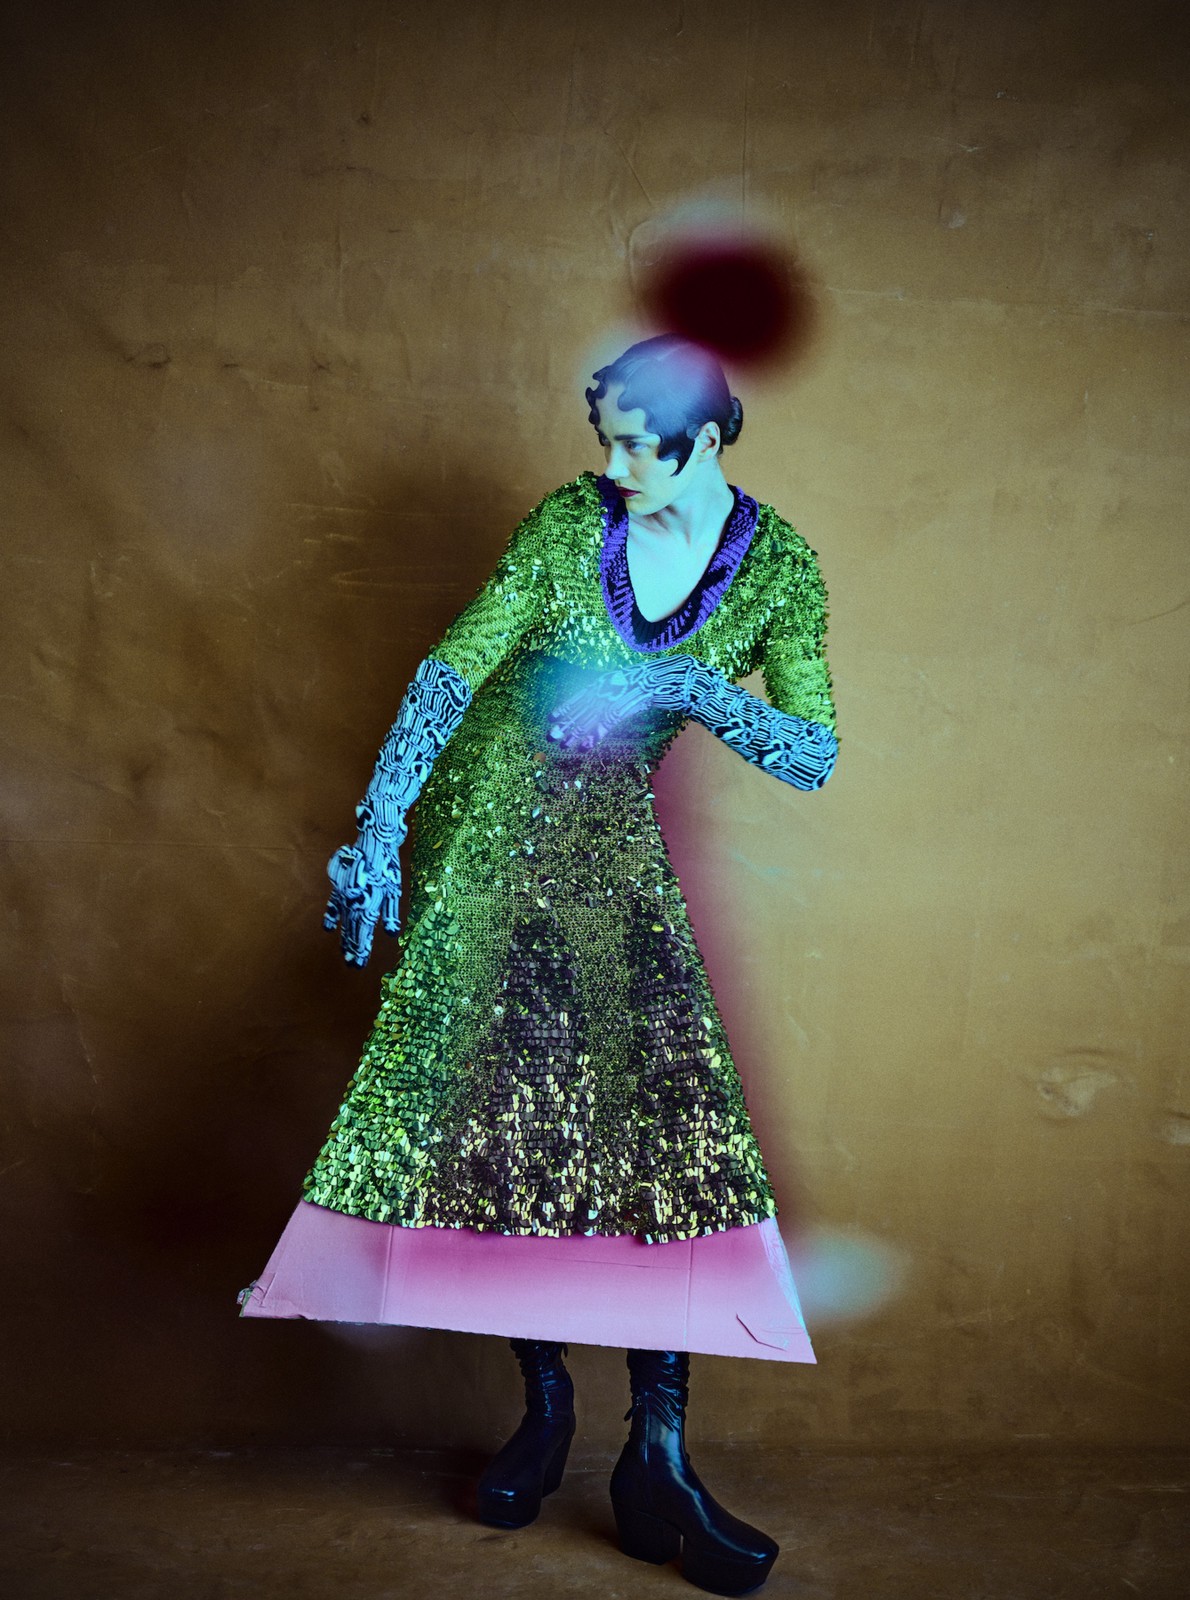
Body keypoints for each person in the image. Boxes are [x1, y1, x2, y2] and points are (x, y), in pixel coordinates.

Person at [239, 334, 838, 1597]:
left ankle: (656, 1456)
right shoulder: (567, 526)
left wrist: (685, 685)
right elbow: (453, 666)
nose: (609, 466)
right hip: (490, 832)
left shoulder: (779, 568)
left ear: (704, 440)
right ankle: (548, 1408)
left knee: (659, 1122)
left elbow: (812, 753)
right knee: (516, 1122)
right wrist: (379, 826)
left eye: (634, 446)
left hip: (608, 847)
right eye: (602, 440)